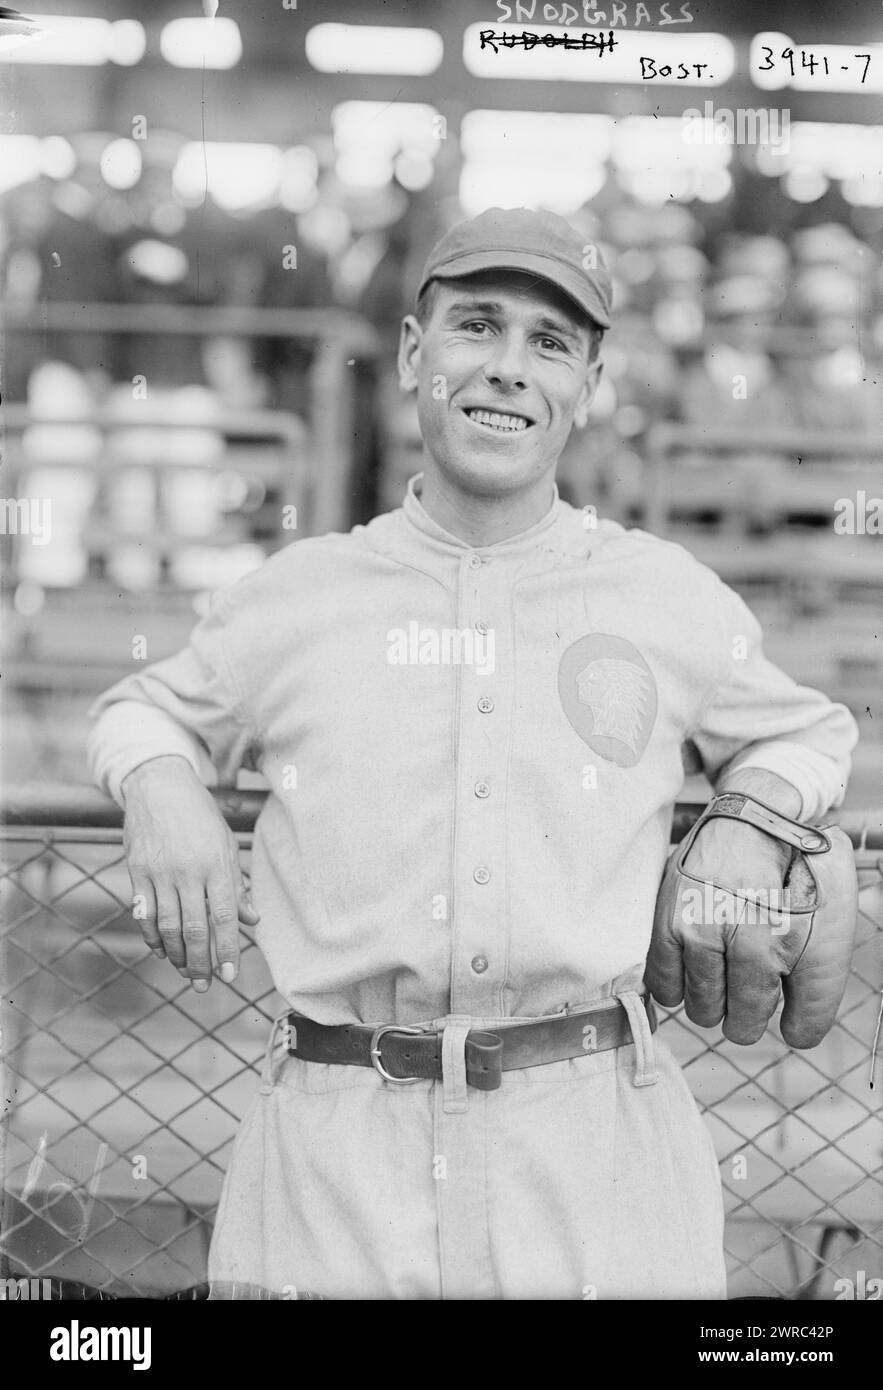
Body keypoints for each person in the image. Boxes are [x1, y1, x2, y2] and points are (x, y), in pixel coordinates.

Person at [87, 207, 857, 1300]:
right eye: (475, 328)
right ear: (413, 353)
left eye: (549, 344)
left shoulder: (660, 592)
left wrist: (748, 816)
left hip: (594, 1142)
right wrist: (161, 782)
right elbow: (138, 709)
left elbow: (808, 727)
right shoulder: (300, 593)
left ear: (589, 383)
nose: (506, 369)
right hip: (337, 1152)